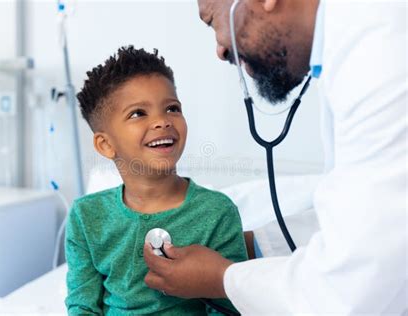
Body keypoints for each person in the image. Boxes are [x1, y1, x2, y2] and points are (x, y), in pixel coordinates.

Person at [144, 0, 407, 314]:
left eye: (213, 21)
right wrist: (251, 246)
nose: (220, 50)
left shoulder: (381, 51)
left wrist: (220, 278)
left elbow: (352, 285)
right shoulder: (355, 42)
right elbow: (369, 218)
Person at [65, 45, 248, 315]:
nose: (162, 121)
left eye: (172, 108)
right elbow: (82, 305)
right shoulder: (86, 216)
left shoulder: (217, 212)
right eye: (138, 113)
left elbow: (229, 307)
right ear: (105, 144)